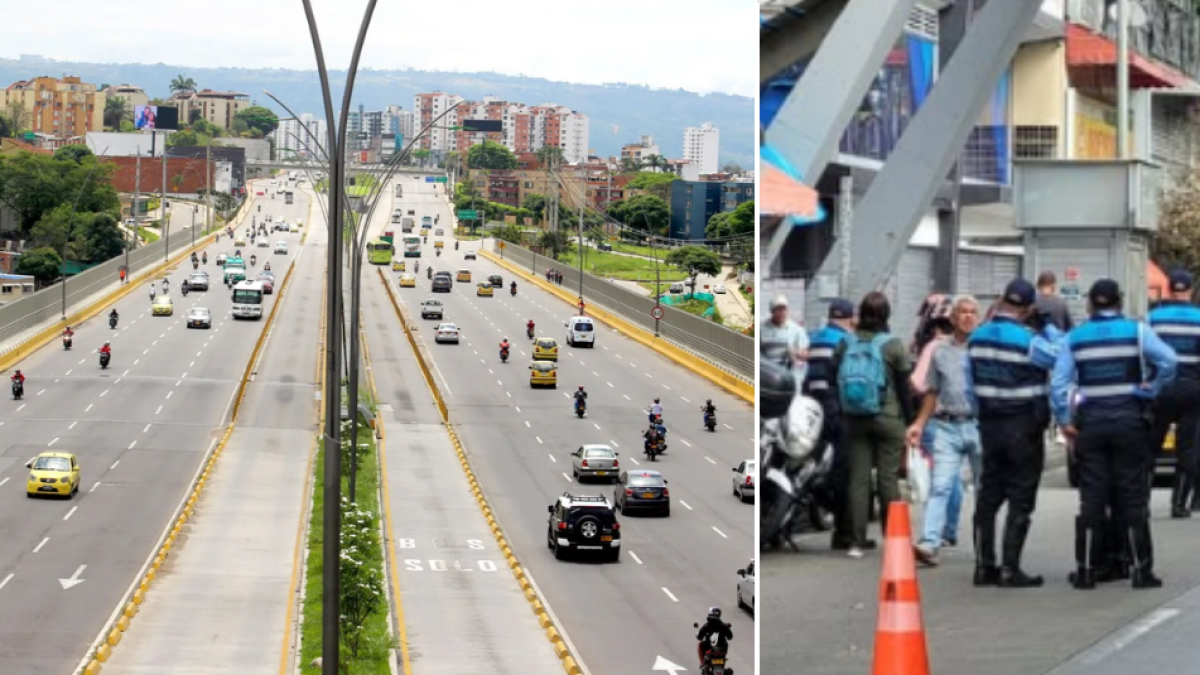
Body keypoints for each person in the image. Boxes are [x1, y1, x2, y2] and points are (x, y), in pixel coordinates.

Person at [1053, 279, 1176, 590]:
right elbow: (1170, 361)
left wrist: (1065, 420)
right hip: (1129, 422)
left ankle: (1085, 570)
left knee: (1092, 498)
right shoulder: (1137, 332)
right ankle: (1140, 570)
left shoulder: (1074, 337)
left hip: (1091, 425)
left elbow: (1058, 384)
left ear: (1091, 304)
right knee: (1131, 496)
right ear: (1119, 302)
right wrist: (1152, 388)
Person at [967, 278, 1061, 588]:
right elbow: (1060, 357)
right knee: (1021, 496)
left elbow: (969, 388)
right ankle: (1010, 569)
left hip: (990, 425)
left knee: (989, 496)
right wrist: (1047, 327)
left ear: (1001, 300)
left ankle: (984, 566)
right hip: (1023, 425)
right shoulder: (1029, 340)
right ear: (1029, 309)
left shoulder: (976, 337)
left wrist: (982, 415)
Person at [834, 291, 913, 559]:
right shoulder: (893, 345)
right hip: (888, 418)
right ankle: (893, 538)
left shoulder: (846, 342)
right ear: (886, 315)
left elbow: (830, 371)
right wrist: (911, 421)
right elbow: (905, 388)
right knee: (887, 479)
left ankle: (857, 541)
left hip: (854, 418)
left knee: (859, 479)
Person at [906, 296, 982, 567]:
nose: (968, 317)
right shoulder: (939, 350)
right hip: (947, 425)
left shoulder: (984, 348)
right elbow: (931, 392)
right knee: (940, 486)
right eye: (963, 312)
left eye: (973, 312)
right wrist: (919, 424)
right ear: (953, 318)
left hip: (979, 425)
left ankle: (984, 547)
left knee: (985, 490)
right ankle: (929, 543)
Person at [908, 300, 965, 549]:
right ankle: (949, 530)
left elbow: (920, 383)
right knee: (955, 479)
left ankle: (935, 536)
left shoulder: (934, 347)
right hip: (971, 419)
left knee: (942, 481)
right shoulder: (969, 346)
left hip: (938, 418)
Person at [804, 298, 856, 550]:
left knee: (812, 458)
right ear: (850, 318)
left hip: (814, 406)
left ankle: (814, 491)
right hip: (836, 407)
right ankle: (842, 526)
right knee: (842, 468)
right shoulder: (846, 341)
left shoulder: (815, 338)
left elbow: (807, 378)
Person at [1148, 270, 1200, 518]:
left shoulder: (1153, 318)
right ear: (1190, 291)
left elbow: (1144, 355)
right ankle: (1179, 503)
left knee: (1150, 445)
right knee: (1188, 447)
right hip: (1192, 389)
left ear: (1168, 289)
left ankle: (1140, 502)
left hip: (1160, 389)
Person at [761, 294, 809, 382]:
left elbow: (805, 354)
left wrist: (795, 352)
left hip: (790, 375)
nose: (782, 313)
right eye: (778, 310)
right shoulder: (761, 329)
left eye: (784, 309)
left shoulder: (797, 330)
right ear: (771, 311)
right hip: (767, 375)